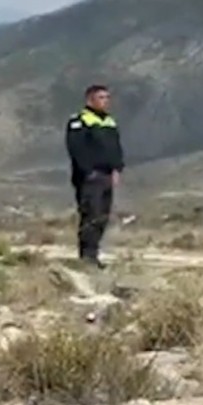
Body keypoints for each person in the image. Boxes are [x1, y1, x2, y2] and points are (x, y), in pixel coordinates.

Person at [64, 84, 124, 268]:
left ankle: (94, 254)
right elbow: (76, 148)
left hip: (107, 176)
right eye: (101, 97)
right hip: (90, 177)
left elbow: (115, 148)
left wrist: (117, 168)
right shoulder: (80, 120)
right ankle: (87, 257)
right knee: (91, 214)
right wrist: (88, 171)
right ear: (90, 99)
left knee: (102, 217)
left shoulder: (109, 122)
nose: (106, 101)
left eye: (107, 97)